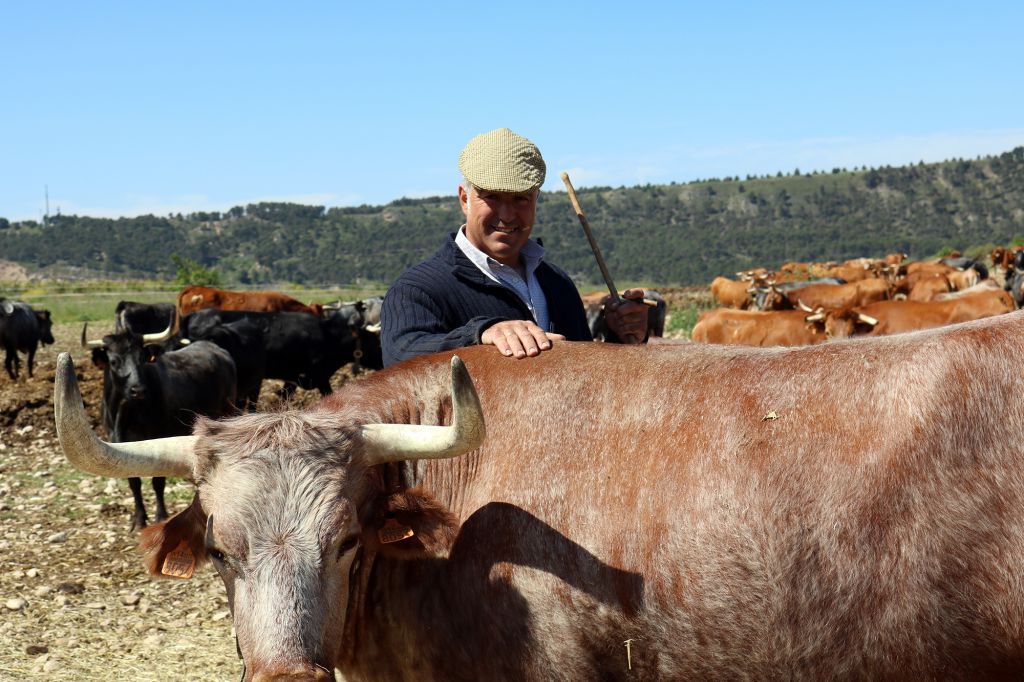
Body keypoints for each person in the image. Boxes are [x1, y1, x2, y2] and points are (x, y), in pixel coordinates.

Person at [380, 127, 649, 367]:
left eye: (521, 199)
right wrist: (480, 333)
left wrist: (621, 336)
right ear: (464, 199)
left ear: (536, 200)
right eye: (492, 197)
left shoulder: (558, 284)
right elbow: (400, 358)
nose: (507, 215)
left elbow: (582, 378)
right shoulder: (417, 289)